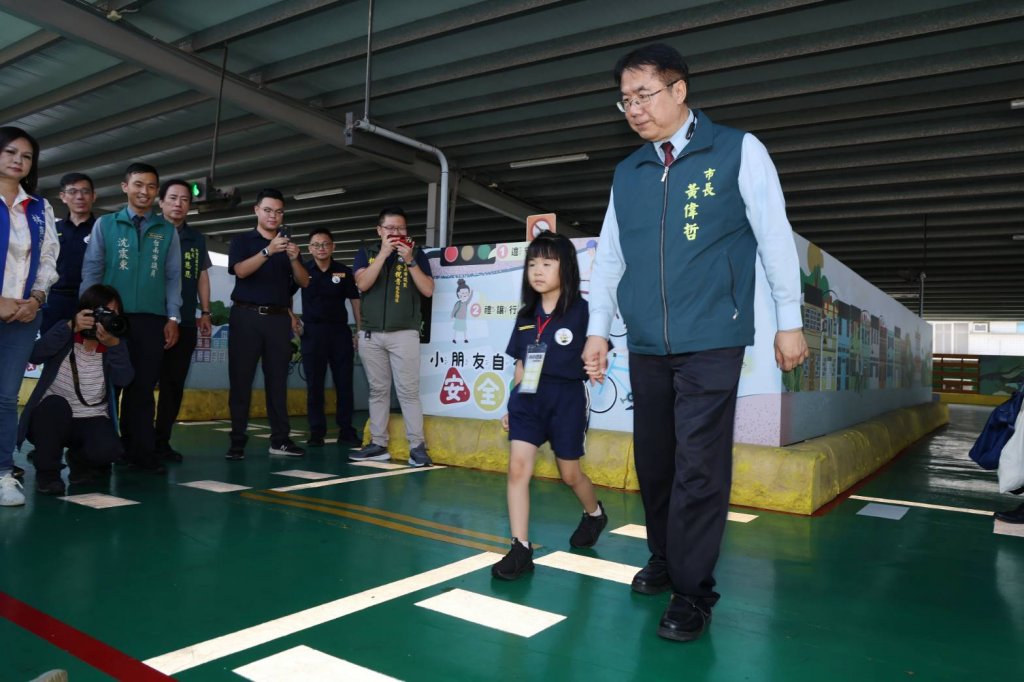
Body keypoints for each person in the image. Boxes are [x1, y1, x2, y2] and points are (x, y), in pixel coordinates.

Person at [582, 43, 808, 642]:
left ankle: (693, 590)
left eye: (644, 95)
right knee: (656, 461)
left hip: (713, 336)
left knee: (700, 465)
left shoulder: (737, 149)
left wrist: (790, 318)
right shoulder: (627, 172)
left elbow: (774, 235)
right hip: (648, 342)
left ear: (680, 90)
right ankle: (663, 555)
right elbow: (609, 259)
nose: (633, 109)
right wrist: (598, 329)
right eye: (625, 100)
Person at [492, 232, 608, 580]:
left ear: (566, 267)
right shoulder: (526, 314)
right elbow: (521, 364)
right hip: (528, 400)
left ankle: (595, 514)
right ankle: (520, 548)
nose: (537, 271)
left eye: (547, 263)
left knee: (569, 473)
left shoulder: (584, 312)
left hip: (567, 399)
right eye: (531, 264)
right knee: (517, 469)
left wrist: (595, 367)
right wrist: (511, 404)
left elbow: (598, 354)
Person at [80, 162, 182, 475]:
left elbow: (173, 276)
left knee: (142, 388)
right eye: (138, 184)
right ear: (125, 187)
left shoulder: (166, 230)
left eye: (151, 186)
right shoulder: (106, 225)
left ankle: (140, 452)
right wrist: (88, 311)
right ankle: (101, 451)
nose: (145, 192)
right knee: (105, 387)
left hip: (152, 319)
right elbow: (92, 268)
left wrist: (173, 317)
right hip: (110, 318)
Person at [17, 285, 133, 496]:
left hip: (90, 417)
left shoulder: (115, 344)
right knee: (54, 405)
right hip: (51, 419)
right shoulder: (67, 333)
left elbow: (124, 379)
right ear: (85, 312)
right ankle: (48, 474)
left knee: (110, 449)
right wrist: (71, 326)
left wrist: (114, 345)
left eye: (114, 313)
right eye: (103, 312)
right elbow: (35, 355)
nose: (109, 318)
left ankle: (80, 461)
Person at [226, 188, 309, 460]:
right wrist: (268, 250)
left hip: (277, 320)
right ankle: (237, 441)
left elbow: (303, 282)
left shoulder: (287, 247)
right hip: (245, 317)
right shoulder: (242, 241)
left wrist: (295, 258)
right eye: (268, 210)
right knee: (241, 381)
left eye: (279, 211)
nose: (274, 216)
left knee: (277, 382)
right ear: (256, 211)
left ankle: (280, 440)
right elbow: (240, 271)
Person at [0, 127, 59, 507]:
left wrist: (36, 299)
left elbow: (50, 256)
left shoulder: (39, 207)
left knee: (5, 397)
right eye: (9, 152)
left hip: (24, 316)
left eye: (26, 156)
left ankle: (3, 473)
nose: (18, 160)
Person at [348, 206, 434, 467]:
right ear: (379, 230)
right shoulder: (366, 253)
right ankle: (378, 444)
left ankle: (417, 447)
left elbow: (428, 290)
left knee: (408, 392)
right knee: (377, 391)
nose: (396, 233)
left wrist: (409, 260)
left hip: (404, 333)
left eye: (401, 228)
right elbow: (362, 284)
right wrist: (384, 254)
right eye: (390, 228)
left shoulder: (417, 254)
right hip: (371, 334)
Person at [153, 179, 212, 462]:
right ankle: (134, 442)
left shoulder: (196, 239)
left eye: (185, 199)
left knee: (173, 384)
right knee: (140, 384)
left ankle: (161, 441)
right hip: (150, 319)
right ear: (160, 201)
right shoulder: (148, 231)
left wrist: (206, 312)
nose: (178, 204)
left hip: (186, 321)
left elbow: (202, 276)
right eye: (173, 198)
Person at [291, 227, 361, 447]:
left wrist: (359, 330)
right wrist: (292, 317)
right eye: (316, 245)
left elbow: (355, 301)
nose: (321, 248)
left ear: (333, 247)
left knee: (344, 383)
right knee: (315, 384)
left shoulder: (343, 271)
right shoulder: (302, 270)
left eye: (325, 244)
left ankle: (346, 430)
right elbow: (285, 295)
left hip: (340, 332)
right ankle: (316, 431)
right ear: (309, 248)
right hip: (312, 333)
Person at [41, 173, 96, 334]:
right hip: (54, 301)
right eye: (73, 192)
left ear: (94, 196)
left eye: (85, 191)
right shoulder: (53, 230)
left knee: (86, 353)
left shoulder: (102, 230)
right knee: (51, 349)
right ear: (63, 197)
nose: (80, 197)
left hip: (88, 302)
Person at [451, 279, 471, 343]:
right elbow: (454, 309)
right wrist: (452, 315)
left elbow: (469, 299)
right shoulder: (458, 303)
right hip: (458, 318)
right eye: (462, 293)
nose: (464, 295)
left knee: (464, 329)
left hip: (463, 319)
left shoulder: (465, 302)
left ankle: (465, 339)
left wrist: (472, 293)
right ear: (458, 294)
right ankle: (454, 339)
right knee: (456, 329)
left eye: (466, 293)